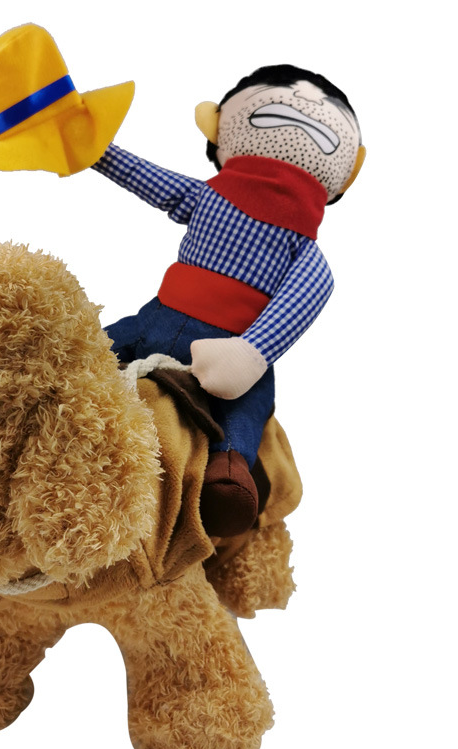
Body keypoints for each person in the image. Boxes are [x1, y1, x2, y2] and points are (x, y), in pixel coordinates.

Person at [92, 64, 365, 534]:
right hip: (158, 318)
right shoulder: (208, 199)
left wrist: (252, 352)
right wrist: (94, 150)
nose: (303, 107)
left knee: (249, 401)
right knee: (93, 349)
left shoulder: (301, 248)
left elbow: (307, 293)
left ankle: (229, 473)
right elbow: (143, 176)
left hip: (231, 343)